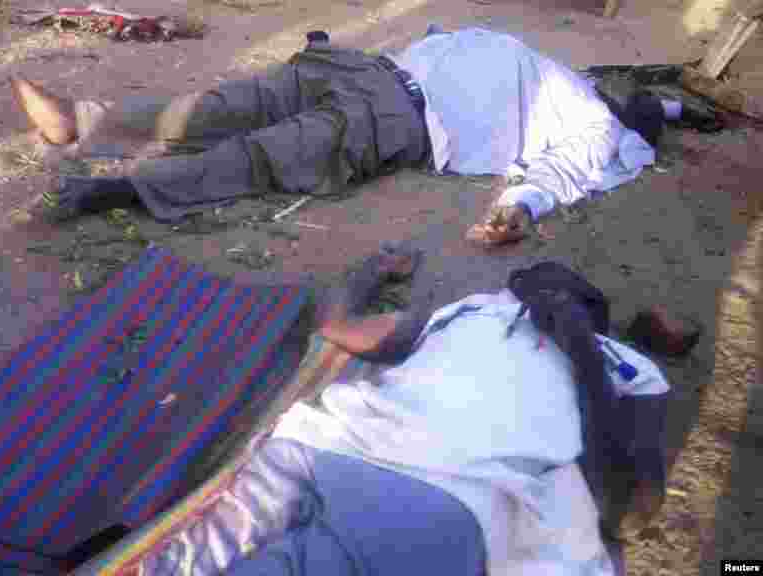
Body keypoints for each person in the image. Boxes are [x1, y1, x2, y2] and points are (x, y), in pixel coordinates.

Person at [101, 242, 674, 576]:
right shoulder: (479, 313)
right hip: (371, 470)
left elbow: (631, 510)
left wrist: (580, 346)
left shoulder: (614, 362)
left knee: (227, 559)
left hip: (379, 470)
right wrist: (374, 270)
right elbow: (337, 326)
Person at [10, 27, 659, 246]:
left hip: (398, 120)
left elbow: (566, 170)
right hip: (362, 69)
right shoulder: (547, 67)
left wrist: (521, 204)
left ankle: (126, 189)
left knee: (263, 154)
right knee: (221, 106)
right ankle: (85, 121)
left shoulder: (595, 121)